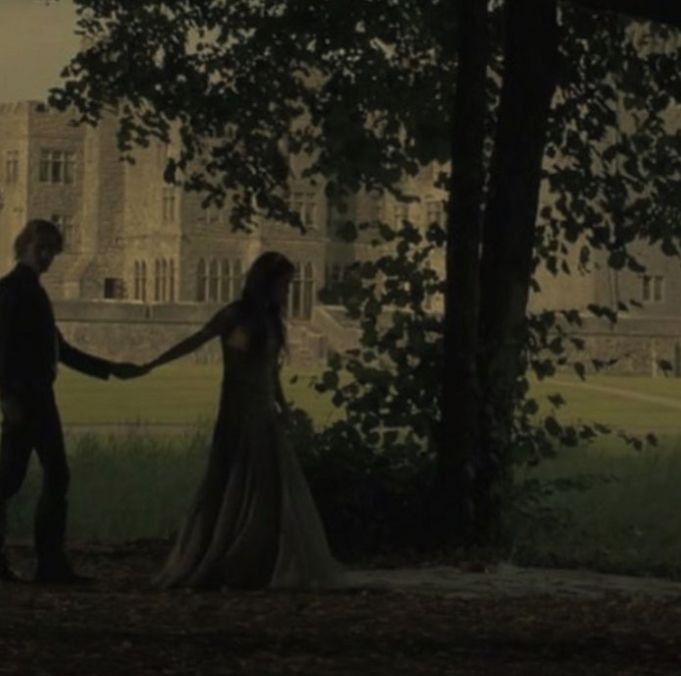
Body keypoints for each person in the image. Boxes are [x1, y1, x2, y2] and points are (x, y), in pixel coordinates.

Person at [149, 251, 343, 590]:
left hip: (263, 410)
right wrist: (151, 365)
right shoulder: (237, 315)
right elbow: (197, 341)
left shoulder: (270, 320)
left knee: (270, 489)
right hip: (240, 409)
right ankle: (234, 559)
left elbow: (270, 371)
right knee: (238, 481)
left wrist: (282, 405)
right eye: (283, 286)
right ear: (265, 284)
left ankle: (259, 559)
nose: (287, 293)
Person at [0, 219, 145, 584]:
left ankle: (50, 564)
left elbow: (59, 350)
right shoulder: (12, 290)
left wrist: (111, 368)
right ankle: (48, 565)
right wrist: (6, 399)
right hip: (24, 398)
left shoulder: (32, 291)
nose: (48, 257)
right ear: (26, 245)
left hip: (39, 397)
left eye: (52, 250)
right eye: (42, 249)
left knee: (36, 477)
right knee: (15, 479)